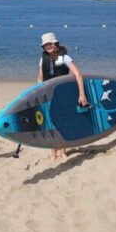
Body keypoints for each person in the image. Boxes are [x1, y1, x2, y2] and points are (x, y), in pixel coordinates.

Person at [37, 32, 88, 160]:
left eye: (49, 44)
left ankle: (63, 151)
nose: (47, 46)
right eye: (45, 45)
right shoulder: (43, 59)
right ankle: (53, 153)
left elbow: (78, 75)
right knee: (50, 123)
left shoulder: (65, 58)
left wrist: (82, 95)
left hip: (63, 95)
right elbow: (40, 78)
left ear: (55, 44)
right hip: (48, 95)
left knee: (63, 122)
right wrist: (37, 94)